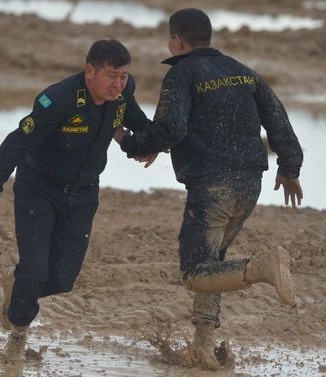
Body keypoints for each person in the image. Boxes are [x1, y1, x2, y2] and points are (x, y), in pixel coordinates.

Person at [115, 8, 304, 371]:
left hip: (212, 187)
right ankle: (203, 345)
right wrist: (290, 168)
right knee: (214, 262)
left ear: (176, 39)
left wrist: (130, 141)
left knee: (195, 272)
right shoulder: (243, 71)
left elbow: (171, 128)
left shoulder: (181, 74)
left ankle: (261, 268)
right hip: (250, 184)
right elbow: (278, 118)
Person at [0, 39, 154, 362]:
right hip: (38, 189)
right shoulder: (58, 99)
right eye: (112, 76)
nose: (118, 84)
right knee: (35, 269)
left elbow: (132, 123)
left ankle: (18, 288)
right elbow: (15, 143)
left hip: (83, 193)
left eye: (124, 76)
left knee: (62, 279)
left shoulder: (122, 92)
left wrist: (148, 143)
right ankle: (18, 332)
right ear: (89, 71)